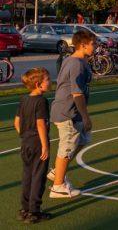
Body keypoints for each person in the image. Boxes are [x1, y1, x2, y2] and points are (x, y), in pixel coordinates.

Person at [48, 29, 95, 198]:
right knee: (67, 146)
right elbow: (77, 94)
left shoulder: (79, 61)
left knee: (83, 139)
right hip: (67, 112)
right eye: (92, 44)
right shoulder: (75, 64)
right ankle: (57, 187)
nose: (95, 47)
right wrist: (86, 117)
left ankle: (57, 171)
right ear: (83, 45)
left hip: (74, 112)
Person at [14, 68, 52, 224]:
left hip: (26, 143)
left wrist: (24, 136)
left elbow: (17, 122)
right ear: (38, 84)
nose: (50, 82)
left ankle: (24, 209)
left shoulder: (24, 99)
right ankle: (34, 212)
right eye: (47, 80)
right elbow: (40, 124)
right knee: (38, 176)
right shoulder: (41, 101)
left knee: (27, 175)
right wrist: (45, 145)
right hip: (37, 143)